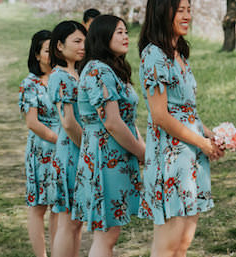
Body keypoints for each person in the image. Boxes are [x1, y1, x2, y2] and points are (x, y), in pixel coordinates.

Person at [138, 0, 224, 257]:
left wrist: (210, 136)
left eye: (190, 10)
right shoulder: (154, 55)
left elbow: (186, 109)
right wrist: (202, 142)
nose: (188, 16)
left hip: (191, 153)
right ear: (164, 12)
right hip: (170, 157)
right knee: (167, 246)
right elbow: (160, 115)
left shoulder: (180, 54)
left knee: (183, 244)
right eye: (181, 10)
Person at [72, 15, 145, 257]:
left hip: (117, 153)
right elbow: (112, 123)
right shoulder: (97, 71)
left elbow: (127, 118)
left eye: (126, 32)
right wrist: (140, 151)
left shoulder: (111, 68)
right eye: (119, 32)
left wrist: (139, 147)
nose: (126, 37)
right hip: (105, 156)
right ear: (103, 37)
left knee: (110, 233)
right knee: (107, 234)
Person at [18, 29, 60, 257]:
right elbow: (32, 122)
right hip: (42, 150)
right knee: (38, 206)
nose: (51, 54)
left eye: (54, 49)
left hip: (63, 150)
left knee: (58, 205)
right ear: (36, 55)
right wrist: (59, 139)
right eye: (46, 50)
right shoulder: (30, 83)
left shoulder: (61, 77)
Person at [47, 21, 87, 257]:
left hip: (80, 149)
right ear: (59, 46)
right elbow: (68, 122)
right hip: (72, 150)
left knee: (77, 221)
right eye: (77, 41)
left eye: (84, 41)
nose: (83, 46)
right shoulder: (60, 77)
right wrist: (89, 149)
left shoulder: (79, 73)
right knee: (68, 222)